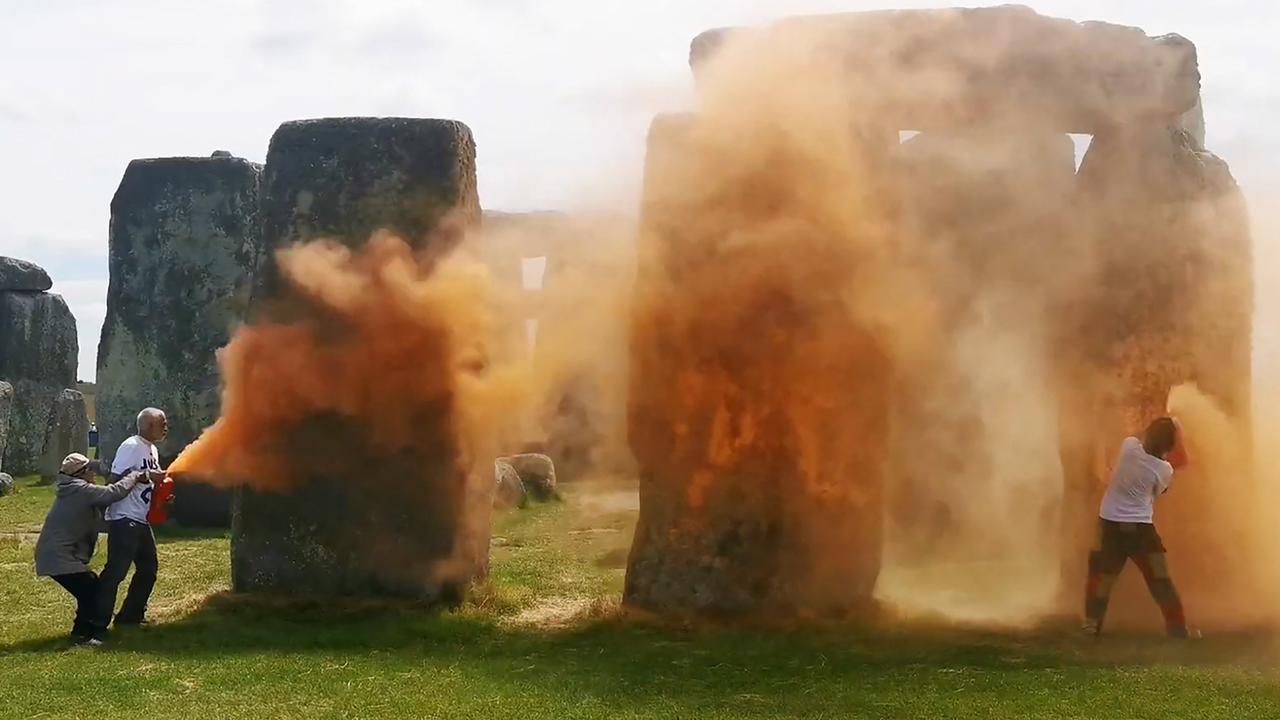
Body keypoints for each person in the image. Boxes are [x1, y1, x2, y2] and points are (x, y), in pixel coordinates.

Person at [1083, 416, 1190, 638]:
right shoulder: (1163, 469)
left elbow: (1140, 433)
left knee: (1101, 578)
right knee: (1160, 581)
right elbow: (1159, 492)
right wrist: (1176, 427)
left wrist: (1163, 421)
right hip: (1140, 530)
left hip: (1109, 525)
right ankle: (1178, 630)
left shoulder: (1129, 447)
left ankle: (1091, 625)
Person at [33, 453, 150, 645]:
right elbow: (113, 493)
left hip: (54, 554)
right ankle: (87, 635)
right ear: (82, 473)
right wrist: (135, 475)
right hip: (59, 557)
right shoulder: (79, 490)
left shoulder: (73, 490)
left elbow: (98, 522)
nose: (94, 473)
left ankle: (81, 632)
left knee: (88, 589)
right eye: (91, 470)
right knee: (92, 590)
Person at [95, 407, 169, 630]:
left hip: (141, 518)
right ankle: (95, 622)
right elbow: (114, 480)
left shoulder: (152, 450)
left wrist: (162, 496)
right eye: (162, 423)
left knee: (148, 569)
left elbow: (146, 483)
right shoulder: (131, 446)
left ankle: (130, 616)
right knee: (116, 572)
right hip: (124, 517)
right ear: (148, 425)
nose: (166, 427)